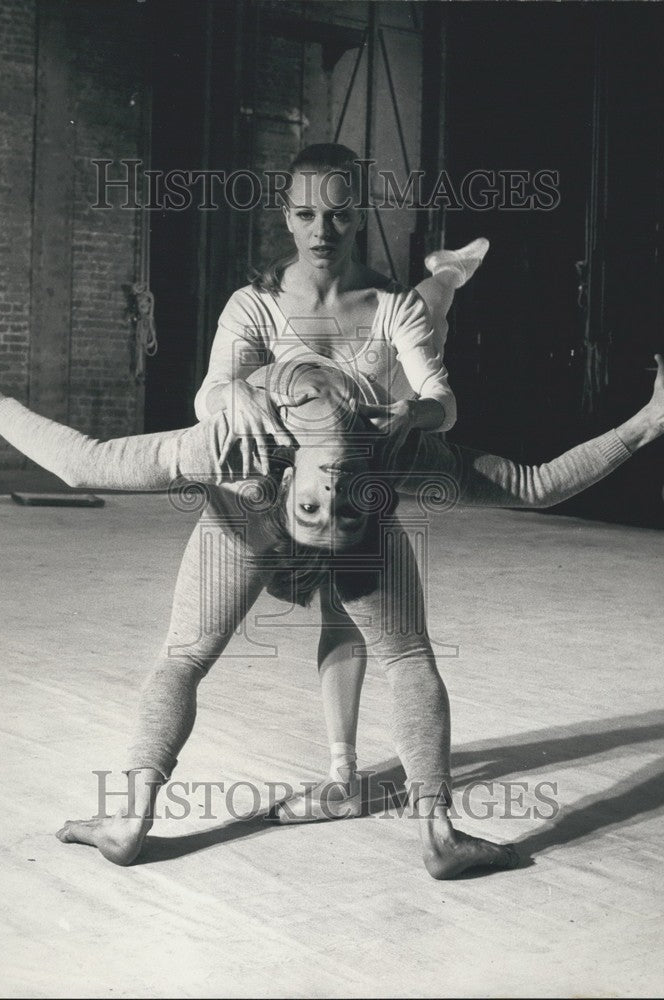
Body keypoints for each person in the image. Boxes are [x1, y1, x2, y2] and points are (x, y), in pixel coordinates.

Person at [0, 317, 664, 878]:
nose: (328, 497)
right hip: (278, 513)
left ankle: (127, 823)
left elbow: (82, 464)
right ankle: (440, 833)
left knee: (184, 655)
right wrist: (644, 422)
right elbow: (534, 484)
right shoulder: (387, 449)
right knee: (404, 653)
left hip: (244, 516)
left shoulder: (237, 450)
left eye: (325, 511)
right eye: (331, 507)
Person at [194, 142, 489, 815]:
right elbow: (208, 394)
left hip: (368, 444)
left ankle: (448, 272)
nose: (321, 232)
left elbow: (442, 402)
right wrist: (231, 393)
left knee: (430, 306)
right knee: (337, 604)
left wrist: (416, 409)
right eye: (305, 214)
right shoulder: (255, 305)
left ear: (359, 217)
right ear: (286, 217)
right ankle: (341, 772)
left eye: (338, 216)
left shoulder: (389, 308)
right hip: (305, 471)